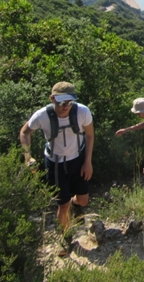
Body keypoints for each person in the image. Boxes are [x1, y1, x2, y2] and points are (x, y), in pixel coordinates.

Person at [20, 82, 94, 231]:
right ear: (52, 99)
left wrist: (87, 162)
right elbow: (25, 132)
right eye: (61, 101)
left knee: (83, 200)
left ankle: (75, 206)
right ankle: (65, 237)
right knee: (63, 204)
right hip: (55, 164)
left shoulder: (82, 112)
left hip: (78, 159)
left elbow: (90, 135)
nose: (66, 105)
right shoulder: (42, 116)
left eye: (70, 101)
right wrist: (28, 157)